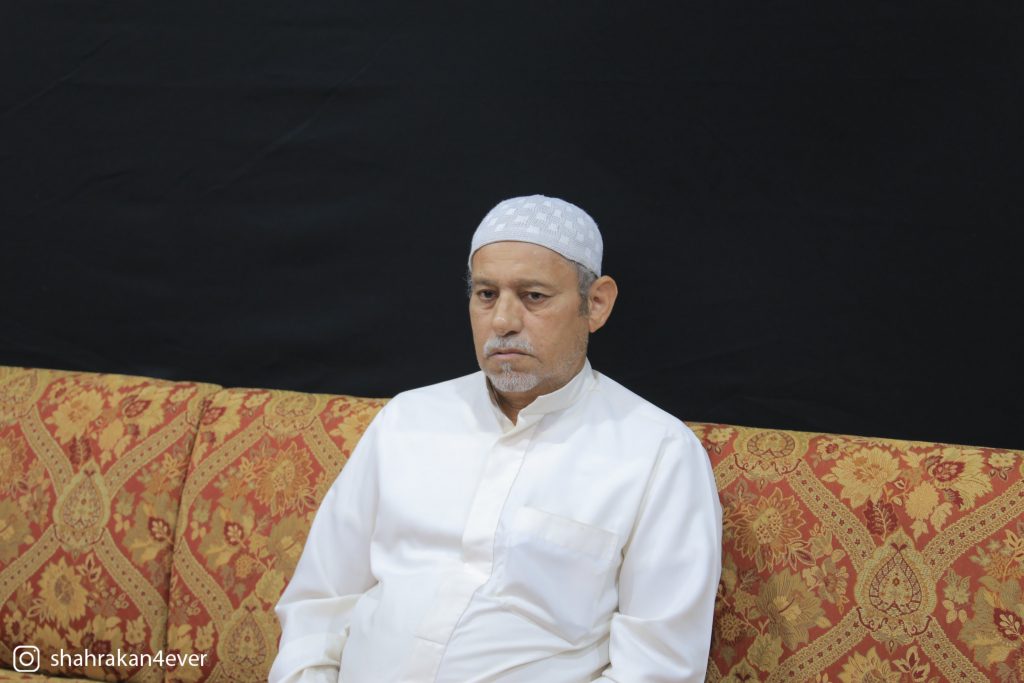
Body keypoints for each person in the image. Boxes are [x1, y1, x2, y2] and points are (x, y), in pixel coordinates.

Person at [269, 195, 722, 682]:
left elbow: (657, 668)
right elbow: (319, 605)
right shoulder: (408, 419)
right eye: (487, 294)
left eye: (534, 296)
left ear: (596, 303)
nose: (503, 321)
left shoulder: (657, 453)